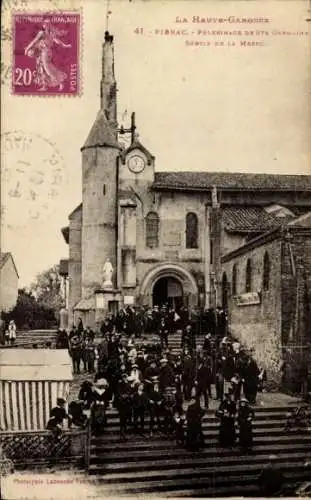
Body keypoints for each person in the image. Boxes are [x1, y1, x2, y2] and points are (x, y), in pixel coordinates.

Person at [24, 19, 71, 91]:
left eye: (45, 24)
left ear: (48, 25)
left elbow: (34, 41)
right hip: (42, 52)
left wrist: (27, 49)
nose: (44, 26)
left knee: (47, 68)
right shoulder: (43, 33)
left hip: (45, 52)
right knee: (41, 68)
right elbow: (35, 41)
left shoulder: (45, 33)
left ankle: (60, 82)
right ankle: (44, 86)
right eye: (44, 24)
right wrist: (65, 45)